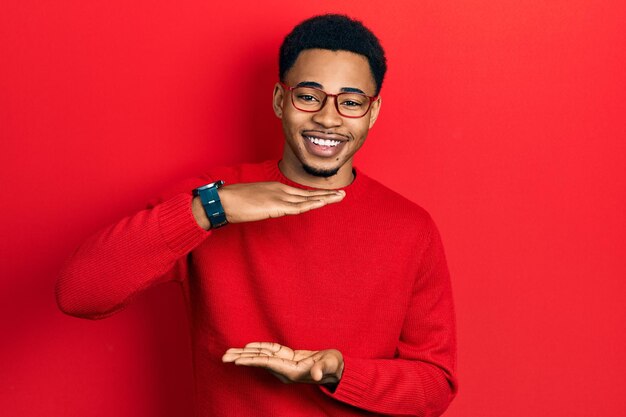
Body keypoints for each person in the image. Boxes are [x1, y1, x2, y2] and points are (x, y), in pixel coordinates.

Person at [57, 14, 458, 417]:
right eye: (308, 95)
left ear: (372, 113)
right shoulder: (212, 196)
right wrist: (213, 209)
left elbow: (435, 386)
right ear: (280, 100)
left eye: (351, 102)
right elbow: (81, 292)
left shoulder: (411, 227)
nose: (328, 117)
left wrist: (339, 372)